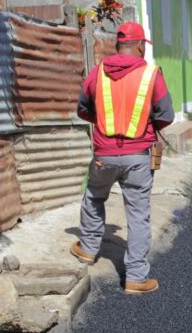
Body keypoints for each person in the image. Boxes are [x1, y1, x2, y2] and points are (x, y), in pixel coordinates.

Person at [71, 21, 174, 294]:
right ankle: (136, 277)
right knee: (138, 215)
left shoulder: (97, 72)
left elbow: (83, 109)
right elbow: (166, 115)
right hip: (138, 157)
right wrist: (146, 127)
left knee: (94, 196)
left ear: (118, 45)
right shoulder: (151, 74)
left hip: (104, 154)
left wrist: (104, 121)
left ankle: (88, 248)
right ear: (140, 45)